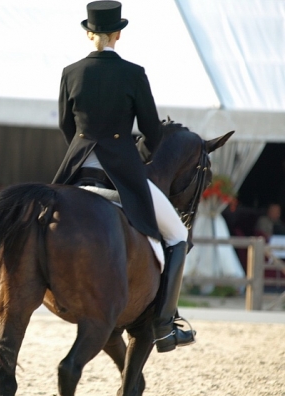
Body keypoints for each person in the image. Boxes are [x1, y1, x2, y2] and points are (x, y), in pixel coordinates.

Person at [52, 1, 195, 352]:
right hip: (122, 172)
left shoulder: (71, 71)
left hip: (76, 166)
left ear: (89, 32)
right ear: (118, 34)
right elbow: (151, 129)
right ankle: (163, 325)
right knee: (177, 234)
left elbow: (65, 125)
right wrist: (136, 149)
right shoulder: (134, 73)